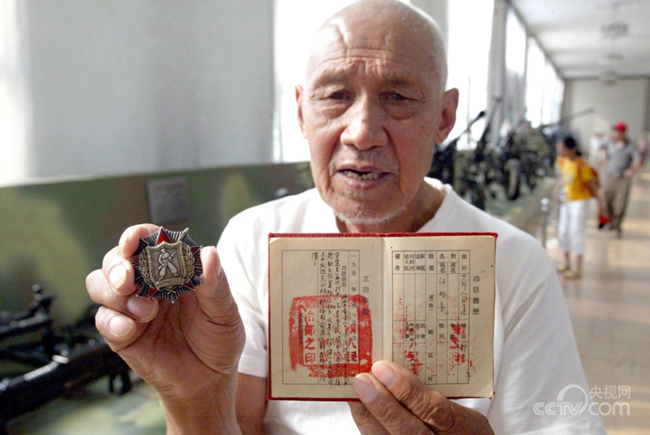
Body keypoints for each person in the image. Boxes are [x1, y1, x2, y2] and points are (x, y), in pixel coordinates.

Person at [86, 1, 605, 433]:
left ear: (445, 116)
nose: (361, 132)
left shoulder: (514, 264)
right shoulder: (253, 239)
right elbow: (235, 423)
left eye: (397, 97)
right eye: (336, 96)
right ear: (300, 111)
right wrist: (192, 398)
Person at [553, 135, 601, 278]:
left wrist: (601, 205)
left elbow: (591, 186)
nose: (560, 151)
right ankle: (566, 262)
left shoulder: (582, 165)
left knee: (576, 231)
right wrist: (557, 191)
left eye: (562, 148)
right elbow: (563, 178)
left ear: (571, 149)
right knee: (563, 231)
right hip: (566, 201)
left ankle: (577, 267)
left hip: (579, 202)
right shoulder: (562, 160)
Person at [601, 122, 642, 238]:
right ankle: (609, 222)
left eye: (618, 131)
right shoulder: (610, 143)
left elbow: (638, 160)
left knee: (621, 204)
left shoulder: (631, 146)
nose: (616, 133)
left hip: (623, 179)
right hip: (610, 177)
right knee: (607, 200)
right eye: (615, 131)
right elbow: (601, 147)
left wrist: (631, 170)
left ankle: (617, 226)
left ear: (623, 133)